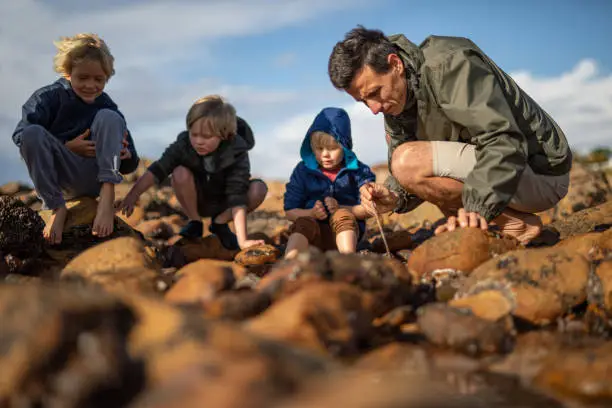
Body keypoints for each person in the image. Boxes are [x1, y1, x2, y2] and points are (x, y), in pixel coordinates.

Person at [327, 26, 572, 244]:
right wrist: (392, 196)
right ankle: (500, 230)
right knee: (404, 162)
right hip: (507, 178)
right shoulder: (396, 97)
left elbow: (503, 140)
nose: (373, 108)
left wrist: (477, 209)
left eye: (374, 92)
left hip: (540, 172)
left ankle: (505, 225)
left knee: (406, 160)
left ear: (395, 64)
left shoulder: (449, 64)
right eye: (363, 101)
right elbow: (408, 172)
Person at [12, 33, 139, 245]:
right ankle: (56, 207)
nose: (91, 85)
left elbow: (131, 163)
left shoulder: (107, 105)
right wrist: (67, 146)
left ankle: (106, 199)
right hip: (59, 177)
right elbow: (20, 135)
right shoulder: (48, 97)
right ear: (68, 72)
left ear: (107, 77)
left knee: (110, 118)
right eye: (83, 78)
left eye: (99, 79)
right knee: (32, 133)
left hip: (96, 178)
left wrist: (125, 155)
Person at [116, 95, 267, 250]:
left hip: (225, 203)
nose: (198, 141)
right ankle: (194, 221)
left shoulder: (237, 151)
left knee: (258, 189)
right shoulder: (184, 145)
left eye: (206, 136)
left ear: (224, 135)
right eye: (194, 134)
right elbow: (157, 170)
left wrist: (242, 241)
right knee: (179, 172)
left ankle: (220, 223)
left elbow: (237, 196)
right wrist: (132, 196)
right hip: (197, 199)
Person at [283, 107, 376, 259]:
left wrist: (342, 208)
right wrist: (311, 213)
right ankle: (289, 261)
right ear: (311, 147)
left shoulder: (359, 171)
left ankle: (348, 259)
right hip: (313, 239)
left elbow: (370, 209)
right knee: (303, 222)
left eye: (333, 148)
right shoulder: (303, 171)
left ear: (345, 147)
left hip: (347, 236)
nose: (325, 154)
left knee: (342, 215)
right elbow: (290, 211)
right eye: (319, 148)